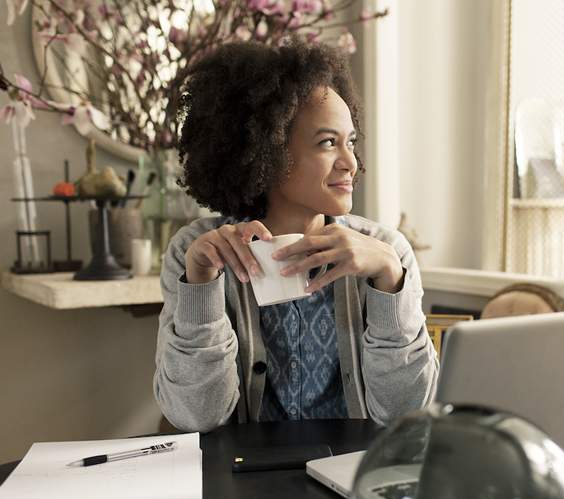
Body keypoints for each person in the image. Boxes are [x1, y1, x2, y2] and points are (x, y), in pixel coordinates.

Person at [154, 40, 439, 433]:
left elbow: (407, 414)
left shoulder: (387, 253)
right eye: (327, 143)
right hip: (239, 479)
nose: (351, 163)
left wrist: (390, 280)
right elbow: (195, 417)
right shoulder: (196, 251)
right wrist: (201, 283)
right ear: (264, 152)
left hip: (351, 473)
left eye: (350, 141)